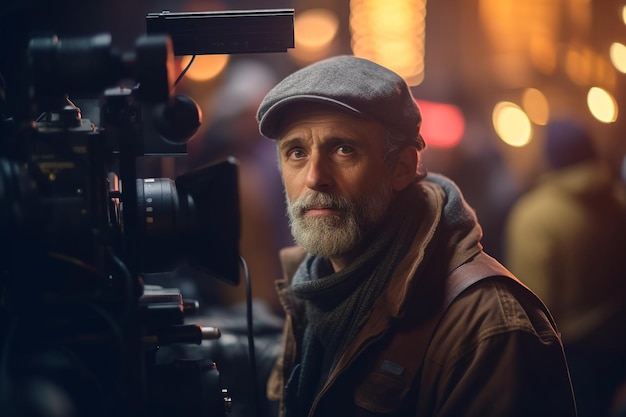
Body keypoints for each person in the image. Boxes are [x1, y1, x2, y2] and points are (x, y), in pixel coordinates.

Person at [255, 55, 577, 417]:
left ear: (403, 168)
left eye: (344, 149)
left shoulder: (487, 325)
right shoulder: (312, 287)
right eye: (296, 152)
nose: (315, 177)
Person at [505, 119, 626, 417]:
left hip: (567, 360)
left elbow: (532, 309)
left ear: (550, 158)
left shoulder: (535, 216)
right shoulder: (619, 204)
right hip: (618, 347)